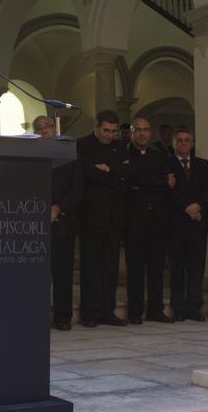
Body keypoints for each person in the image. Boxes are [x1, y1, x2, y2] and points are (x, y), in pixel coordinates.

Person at [77, 110, 133, 328]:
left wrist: (108, 170)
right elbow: (88, 174)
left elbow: (129, 172)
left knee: (110, 267)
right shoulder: (82, 145)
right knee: (90, 265)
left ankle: (107, 311)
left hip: (114, 217)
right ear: (96, 126)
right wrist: (115, 174)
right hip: (91, 215)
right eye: (106, 130)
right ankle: (90, 313)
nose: (109, 135)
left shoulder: (120, 146)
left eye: (113, 131)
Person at [33, 115, 83, 331]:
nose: (44, 131)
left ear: (55, 128)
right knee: (37, 275)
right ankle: (37, 316)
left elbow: (78, 188)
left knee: (63, 272)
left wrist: (58, 207)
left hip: (63, 222)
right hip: (36, 222)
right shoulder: (30, 156)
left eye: (48, 127)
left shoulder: (69, 155)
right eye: (40, 128)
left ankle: (63, 317)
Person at [124, 117, 174, 324]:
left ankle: (155, 309)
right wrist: (159, 181)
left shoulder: (160, 156)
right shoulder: (125, 155)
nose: (142, 134)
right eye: (138, 130)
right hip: (133, 220)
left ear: (150, 133)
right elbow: (131, 178)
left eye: (146, 130)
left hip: (157, 219)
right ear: (131, 132)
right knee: (135, 268)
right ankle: (135, 312)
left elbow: (169, 183)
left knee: (156, 268)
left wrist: (149, 181)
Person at [167, 129, 208, 321]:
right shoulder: (166, 163)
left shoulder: (202, 164)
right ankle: (178, 308)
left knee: (196, 266)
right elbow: (168, 191)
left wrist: (198, 206)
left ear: (192, 143)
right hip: (177, 221)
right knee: (177, 267)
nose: (184, 144)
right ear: (173, 143)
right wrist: (186, 207)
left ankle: (194, 307)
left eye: (187, 141)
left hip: (198, 222)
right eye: (179, 141)